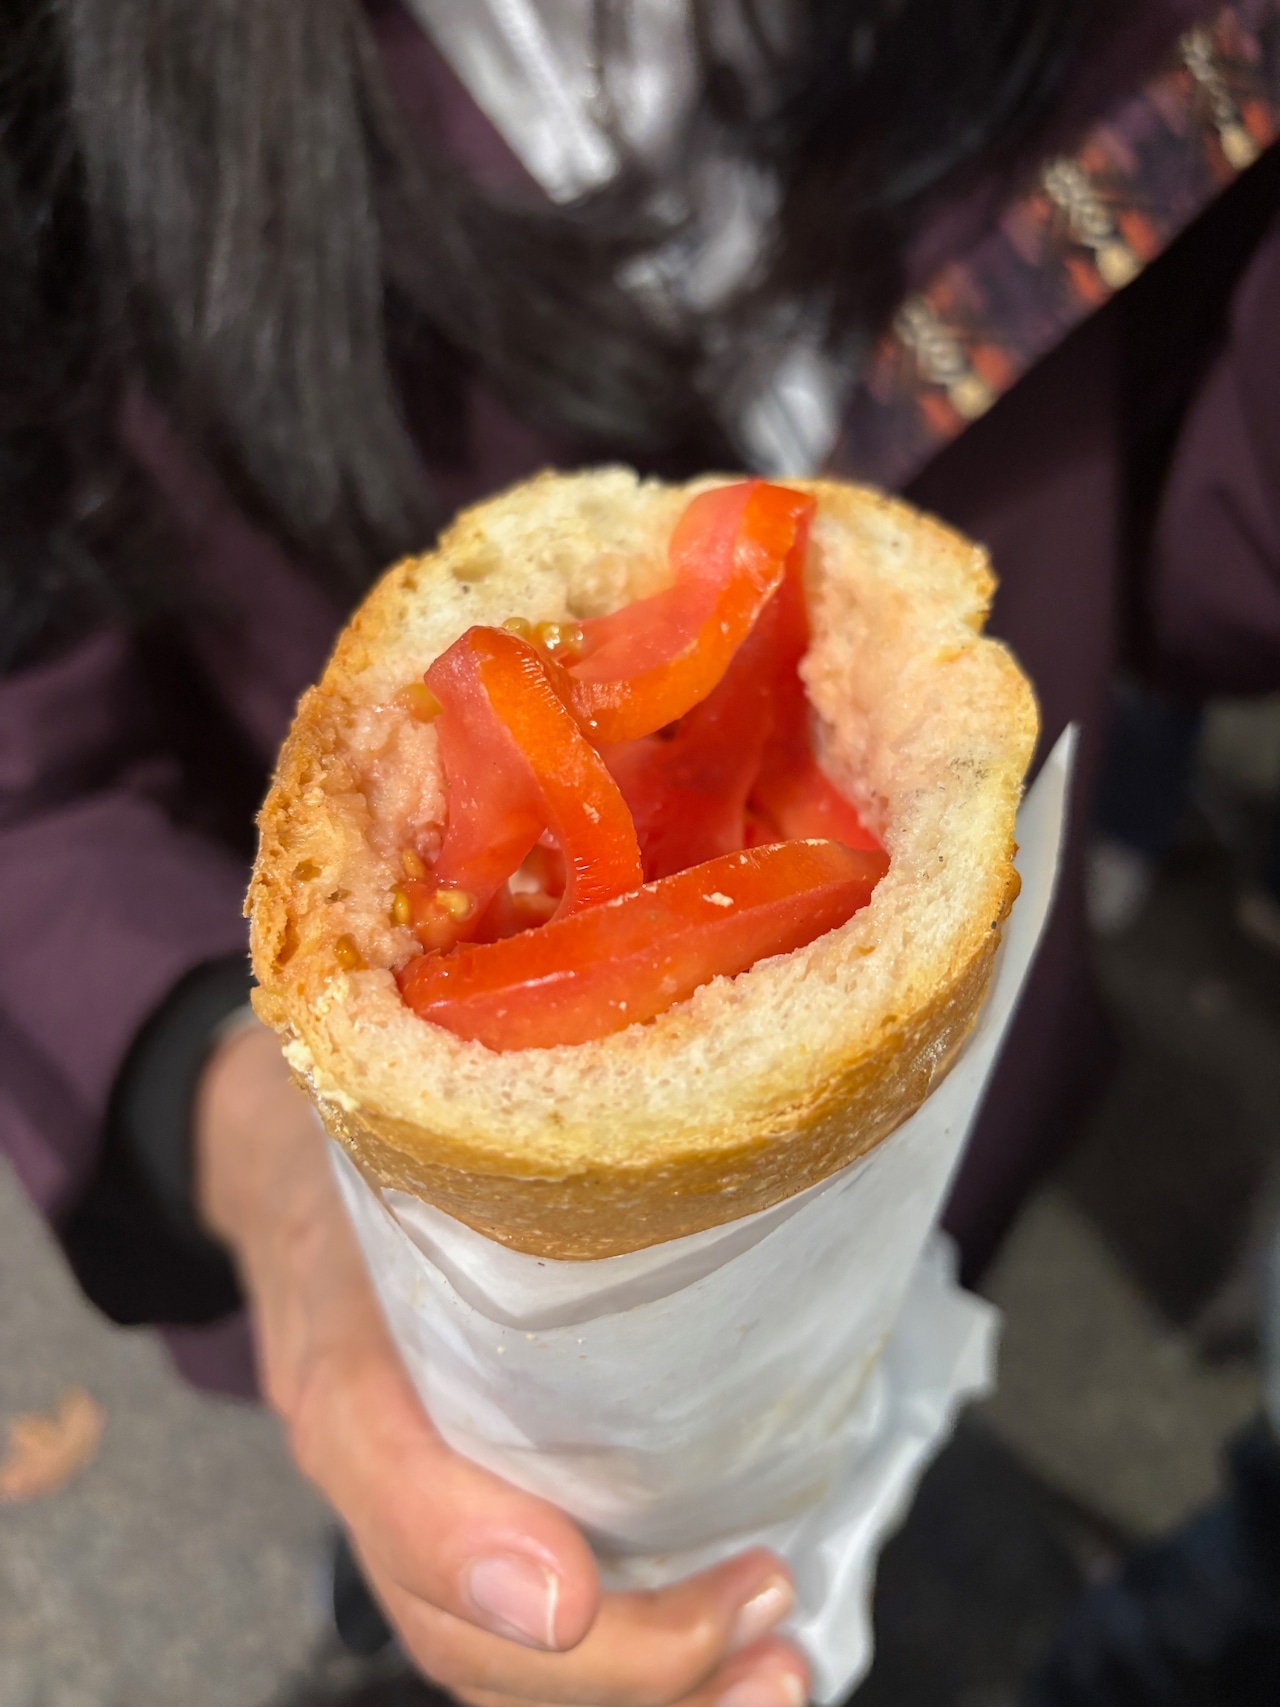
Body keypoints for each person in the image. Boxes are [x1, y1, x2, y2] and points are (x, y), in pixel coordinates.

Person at [3, 3, 1280, 1703]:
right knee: (467, 1599)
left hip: (940, 1149)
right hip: (396, 1274)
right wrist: (263, 1160)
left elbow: (1195, 501)